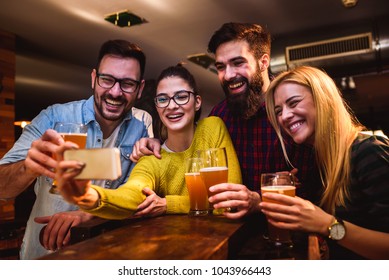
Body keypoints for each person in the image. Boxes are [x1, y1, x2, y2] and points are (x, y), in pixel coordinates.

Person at [131, 23, 320, 219]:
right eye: (221, 66)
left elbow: (314, 191)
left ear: (263, 62)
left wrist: (261, 199)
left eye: (238, 63)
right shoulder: (219, 116)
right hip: (232, 234)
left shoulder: (292, 115)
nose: (229, 75)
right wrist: (158, 141)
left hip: (294, 232)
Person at [0, 39, 153, 259]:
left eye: (127, 83)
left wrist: (85, 215)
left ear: (140, 89)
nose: (116, 92)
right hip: (43, 254)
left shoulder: (141, 125)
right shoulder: (54, 117)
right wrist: (28, 168)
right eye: (107, 80)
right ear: (94, 78)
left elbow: (134, 197)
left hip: (103, 255)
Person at [54, 64, 242, 219]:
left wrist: (169, 203)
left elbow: (229, 201)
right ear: (157, 107)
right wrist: (89, 195)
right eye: (163, 99)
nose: (172, 105)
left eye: (182, 96)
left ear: (197, 102)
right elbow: (131, 193)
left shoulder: (213, 128)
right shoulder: (152, 158)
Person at [261, 65, 389, 259]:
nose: (285, 116)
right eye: (279, 111)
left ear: (323, 100)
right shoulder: (321, 162)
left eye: (294, 103)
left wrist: (327, 225)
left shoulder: (368, 151)